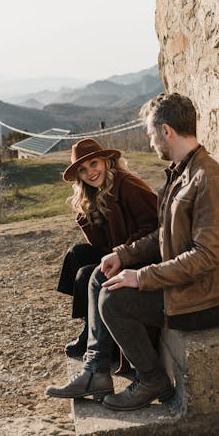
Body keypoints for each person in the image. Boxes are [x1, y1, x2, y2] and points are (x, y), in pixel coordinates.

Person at [46, 92, 219, 410]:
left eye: (151, 135)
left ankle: (151, 378)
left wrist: (142, 276)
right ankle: (96, 370)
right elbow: (161, 236)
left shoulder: (210, 179)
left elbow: (207, 257)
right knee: (99, 275)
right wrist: (123, 255)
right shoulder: (182, 174)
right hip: (186, 283)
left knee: (115, 299)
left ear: (166, 131)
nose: (150, 144)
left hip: (210, 297)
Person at [55, 138, 158, 359]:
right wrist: (86, 214)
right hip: (119, 252)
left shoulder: (128, 185)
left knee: (87, 274)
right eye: (82, 170)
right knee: (76, 255)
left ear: (106, 161)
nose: (90, 172)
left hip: (141, 255)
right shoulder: (98, 192)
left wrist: (124, 252)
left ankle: (99, 339)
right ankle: (89, 327)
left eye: (94, 163)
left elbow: (154, 227)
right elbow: (100, 245)